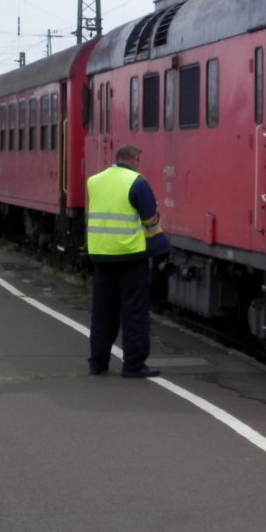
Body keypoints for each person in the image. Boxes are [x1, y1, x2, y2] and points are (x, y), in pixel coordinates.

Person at [86, 144, 161, 378]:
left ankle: (97, 364)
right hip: (130, 255)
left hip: (101, 255)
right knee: (134, 312)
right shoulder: (136, 181)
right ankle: (133, 365)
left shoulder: (94, 181)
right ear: (135, 159)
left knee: (102, 313)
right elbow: (149, 217)